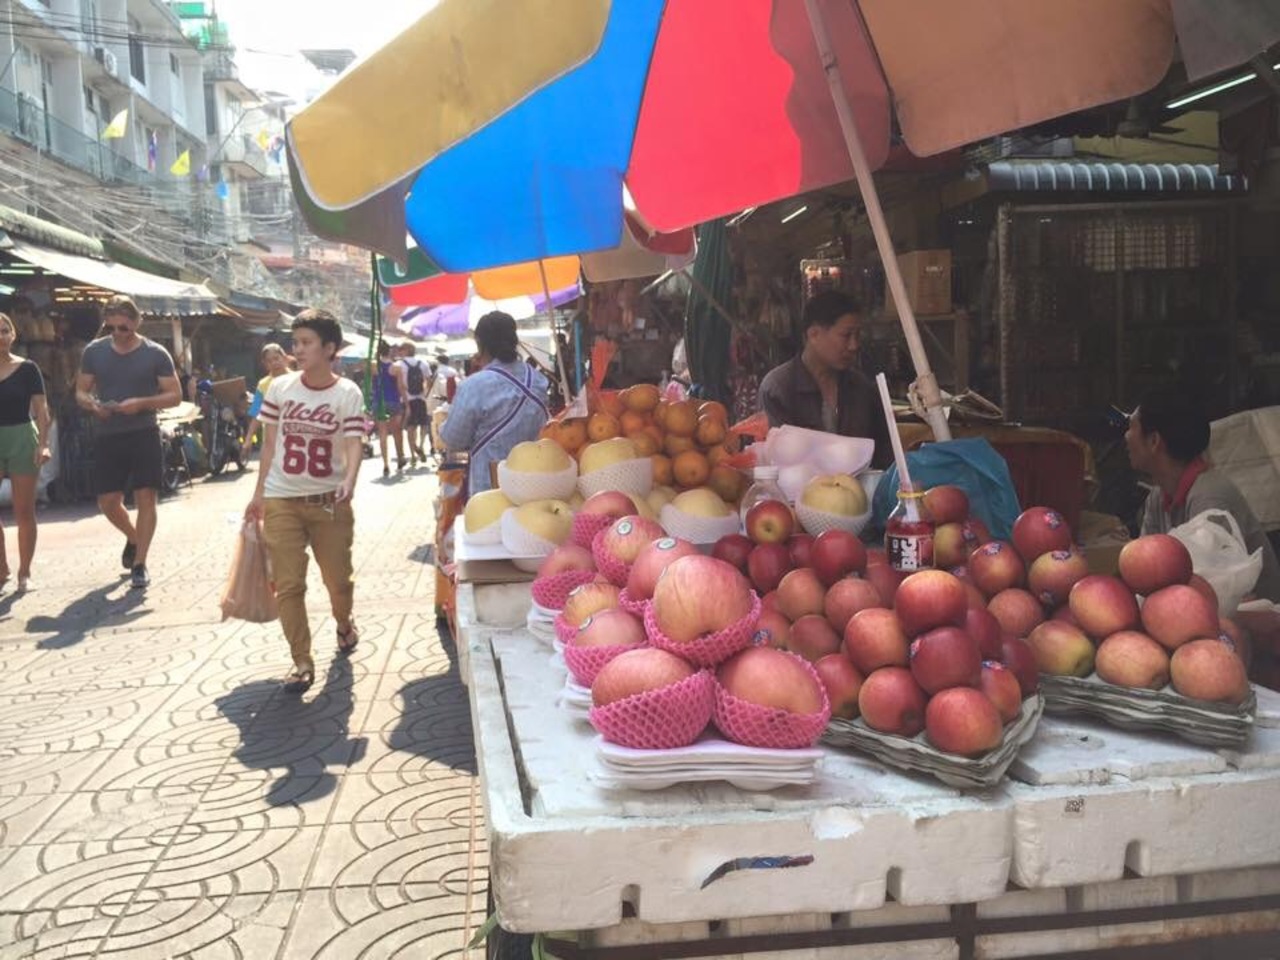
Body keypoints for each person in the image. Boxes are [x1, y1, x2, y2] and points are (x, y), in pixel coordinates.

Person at [245, 309, 365, 693]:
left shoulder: (347, 392)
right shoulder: (280, 389)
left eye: (307, 342)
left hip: (329, 502)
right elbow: (269, 447)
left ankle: (343, 623)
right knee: (288, 584)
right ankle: (301, 660)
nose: (298, 349)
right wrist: (258, 494)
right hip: (282, 499)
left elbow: (352, 442)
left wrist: (349, 479)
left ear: (330, 348)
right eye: (295, 342)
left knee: (337, 581)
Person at [1125, 385, 1280, 604]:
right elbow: (1142, 570)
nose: (1126, 436)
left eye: (1131, 427)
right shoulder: (1158, 497)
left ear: (1153, 441)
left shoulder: (1210, 498)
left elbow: (1211, 593)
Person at [75, 295, 182, 589]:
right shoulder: (94, 352)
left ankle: (140, 563)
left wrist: (143, 403)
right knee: (107, 501)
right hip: (108, 433)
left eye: (124, 327)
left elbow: (175, 395)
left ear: (136, 322)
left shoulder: (156, 353)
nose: (119, 334)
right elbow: (80, 391)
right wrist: (93, 405)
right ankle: (134, 538)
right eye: (112, 328)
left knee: (146, 496)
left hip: (144, 430)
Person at [757, 290, 892, 467]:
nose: (854, 345)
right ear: (814, 334)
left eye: (858, 336)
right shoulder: (778, 388)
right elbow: (776, 461)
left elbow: (884, 454)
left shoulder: (861, 388)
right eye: (846, 335)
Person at [440, 311, 549, 495]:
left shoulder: (473, 386)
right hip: (535, 484)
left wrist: (442, 425)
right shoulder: (538, 379)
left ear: (480, 344)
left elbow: (453, 439)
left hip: (490, 490)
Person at [0, 312, 52, 592]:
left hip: (22, 436)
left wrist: (44, 444)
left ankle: (25, 572)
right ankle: (1, 567)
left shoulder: (28, 368)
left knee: (23, 511)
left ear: (13, 335)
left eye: (5, 330)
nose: (0, 337)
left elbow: (42, 409)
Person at [371, 340, 407, 477]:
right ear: (389, 351)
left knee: (382, 434)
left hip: (378, 402)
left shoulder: (373, 366)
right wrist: (406, 403)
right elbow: (400, 387)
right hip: (393, 401)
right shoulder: (396, 368)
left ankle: (385, 464)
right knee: (397, 431)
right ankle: (400, 457)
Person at [245, 343, 291, 449]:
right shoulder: (263, 384)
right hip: (271, 440)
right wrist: (248, 439)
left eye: (276, 358)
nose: (274, 363)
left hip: (294, 438)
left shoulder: (298, 380)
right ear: (265, 364)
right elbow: (256, 412)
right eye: (269, 361)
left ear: (284, 358)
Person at [398, 342, 431, 465]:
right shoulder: (423, 363)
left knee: (410, 428)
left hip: (408, 399)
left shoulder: (400, 365)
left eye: (401, 349)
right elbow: (429, 380)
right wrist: (425, 393)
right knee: (423, 424)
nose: (399, 351)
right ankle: (421, 445)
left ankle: (413, 454)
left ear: (406, 351)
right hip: (421, 398)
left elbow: (400, 385)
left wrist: (404, 400)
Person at [428, 349, 460, 459]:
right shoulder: (452, 371)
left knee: (434, 423)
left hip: (437, 400)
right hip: (450, 400)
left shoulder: (437, 371)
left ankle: (435, 444)